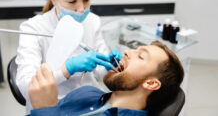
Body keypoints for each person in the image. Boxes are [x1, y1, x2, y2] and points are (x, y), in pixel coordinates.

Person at [15, 0, 122, 114]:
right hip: (53, 105)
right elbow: (26, 87)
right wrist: (67, 69)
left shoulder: (92, 21)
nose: (81, 9)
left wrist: (110, 67)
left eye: (86, 0)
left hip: (89, 101)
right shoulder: (33, 28)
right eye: (72, 2)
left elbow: (100, 74)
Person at [28, 41, 184, 116]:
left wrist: (45, 109)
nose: (127, 51)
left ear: (151, 83)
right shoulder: (85, 93)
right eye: (134, 49)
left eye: (141, 56)